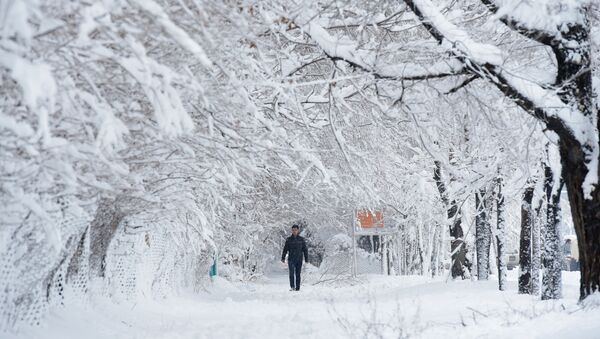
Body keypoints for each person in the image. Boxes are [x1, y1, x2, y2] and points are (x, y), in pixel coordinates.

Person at [281, 224, 308, 291]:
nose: (294, 231)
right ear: (291, 231)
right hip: (291, 259)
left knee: (298, 273)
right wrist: (283, 257)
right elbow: (285, 249)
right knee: (291, 273)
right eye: (293, 230)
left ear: (298, 230)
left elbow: (305, 249)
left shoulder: (301, 239)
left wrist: (306, 258)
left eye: (295, 230)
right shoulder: (289, 239)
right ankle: (292, 286)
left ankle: (298, 287)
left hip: (299, 259)